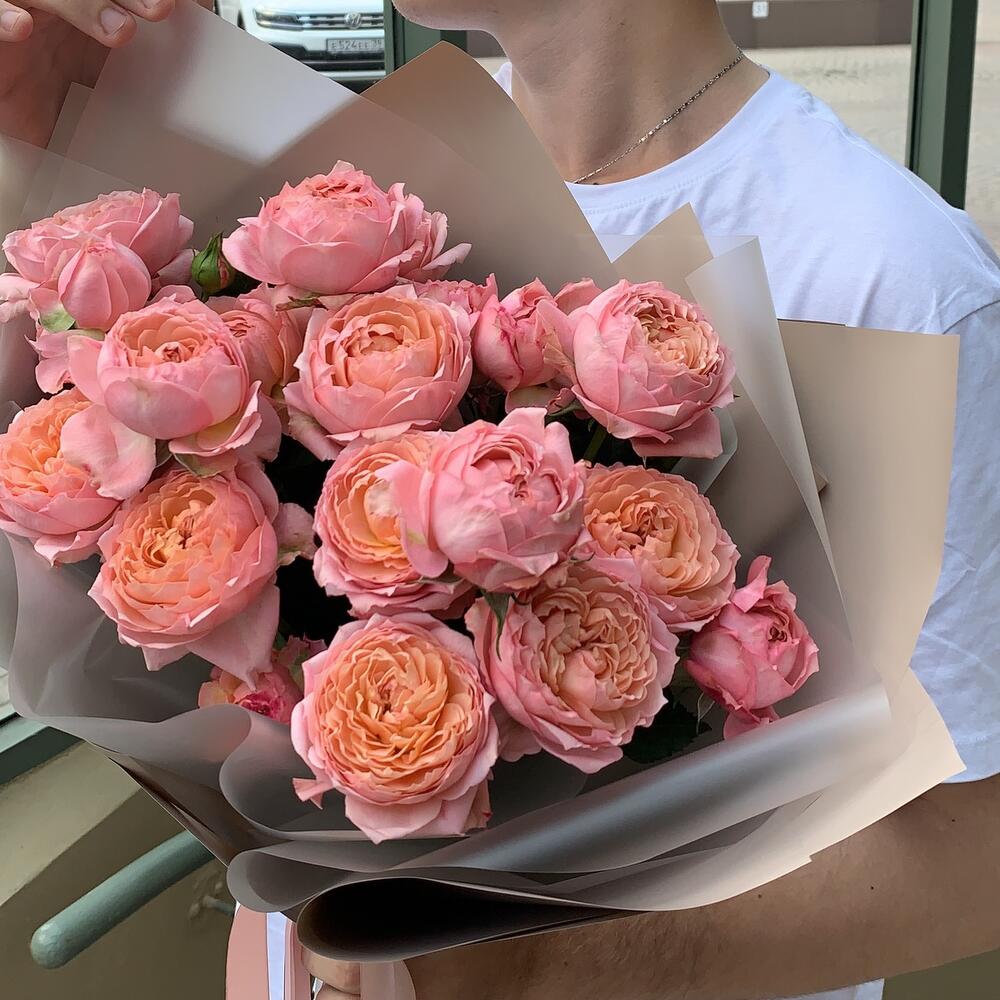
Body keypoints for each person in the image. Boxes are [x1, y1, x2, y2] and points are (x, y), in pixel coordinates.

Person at [3, 2, 999, 999]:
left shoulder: (895, 277)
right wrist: (49, 133)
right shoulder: (379, 181)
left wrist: (529, 970)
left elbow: (977, 847)